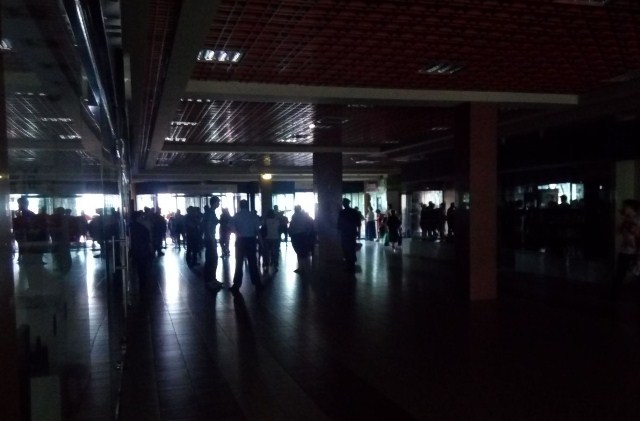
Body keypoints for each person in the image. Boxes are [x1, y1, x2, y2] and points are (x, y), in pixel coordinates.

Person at [229, 200, 262, 292]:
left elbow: (231, 227)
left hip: (240, 240)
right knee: (253, 262)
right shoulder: (253, 215)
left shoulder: (236, 216)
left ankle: (236, 285)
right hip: (251, 240)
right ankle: (257, 283)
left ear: (240, 206)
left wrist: (237, 232)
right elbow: (257, 230)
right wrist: (261, 242)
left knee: (239, 263)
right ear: (248, 206)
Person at [612, 199, 640, 299]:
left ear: (632, 208)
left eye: (626, 206)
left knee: (636, 273)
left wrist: (630, 226)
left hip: (635, 252)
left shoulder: (637, 220)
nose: (624, 208)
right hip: (625, 250)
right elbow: (618, 231)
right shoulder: (626, 219)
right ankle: (615, 295)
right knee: (620, 272)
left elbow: (637, 234)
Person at [202, 197, 223, 288]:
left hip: (209, 239)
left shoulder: (210, 213)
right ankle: (210, 280)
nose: (219, 204)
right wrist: (211, 240)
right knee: (212, 259)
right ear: (214, 203)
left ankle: (212, 279)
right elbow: (208, 227)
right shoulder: (210, 213)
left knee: (211, 259)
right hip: (210, 239)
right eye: (218, 202)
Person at [289, 205, 315, 273]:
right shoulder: (304, 217)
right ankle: (305, 267)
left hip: (296, 236)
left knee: (299, 252)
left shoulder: (294, 217)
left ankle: (301, 267)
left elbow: (292, 226)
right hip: (303, 235)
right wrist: (307, 233)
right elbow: (308, 226)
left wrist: (290, 233)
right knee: (303, 252)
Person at [337, 198, 361, 271]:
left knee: (345, 248)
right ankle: (352, 263)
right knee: (352, 248)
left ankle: (348, 262)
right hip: (352, 232)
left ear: (344, 204)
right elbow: (358, 223)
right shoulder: (353, 211)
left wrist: (338, 233)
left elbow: (339, 224)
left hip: (345, 233)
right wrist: (358, 232)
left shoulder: (342, 212)